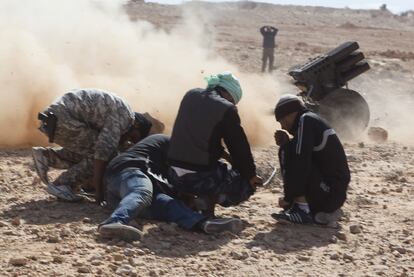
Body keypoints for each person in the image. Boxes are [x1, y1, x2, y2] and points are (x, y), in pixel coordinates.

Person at [99, 134, 243, 241]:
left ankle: (204, 223)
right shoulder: (169, 143)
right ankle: (114, 222)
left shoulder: (171, 169)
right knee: (142, 191)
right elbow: (184, 178)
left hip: (125, 199)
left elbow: (178, 185)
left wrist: (188, 200)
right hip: (127, 172)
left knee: (168, 204)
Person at [32, 89, 153, 203]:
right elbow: (101, 154)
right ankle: (62, 184)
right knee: (106, 154)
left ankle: (47, 156)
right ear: (136, 125)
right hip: (63, 119)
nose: (129, 141)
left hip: (53, 117)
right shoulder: (125, 118)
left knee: (90, 150)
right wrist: (100, 193)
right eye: (133, 138)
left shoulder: (121, 111)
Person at [167, 72, 263, 217]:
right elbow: (239, 147)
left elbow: (200, 138)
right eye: (233, 101)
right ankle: (208, 202)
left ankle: (187, 200)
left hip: (173, 175)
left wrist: (226, 156)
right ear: (230, 95)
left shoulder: (190, 95)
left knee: (208, 167)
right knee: (244, 185)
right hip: (200, 178)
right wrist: (250, 175)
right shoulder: (227, 109)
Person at [271, 94, 350, 225]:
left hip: (330, 193)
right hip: (332, 194)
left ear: (291, 114)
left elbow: (301, 159)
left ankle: (302, 210)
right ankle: (301, 206)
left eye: (283, 120)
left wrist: (288, 196)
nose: (283, 127)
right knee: (289, 148)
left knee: (288, 152)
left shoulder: (306, 120)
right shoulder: (310, 120)